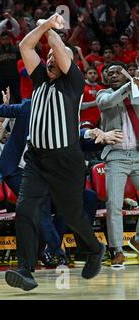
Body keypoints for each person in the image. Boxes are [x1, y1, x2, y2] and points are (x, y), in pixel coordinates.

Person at [5, 13, 105, 291]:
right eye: (46, 58)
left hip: (66, 161)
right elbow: (25, 47)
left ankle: (95, 249)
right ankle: (26, 270)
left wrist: (48, 29)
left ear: (68, 64)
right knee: (25, 210)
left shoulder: (73, 82)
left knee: (72, 215)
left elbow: (59, 49)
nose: (48, 60)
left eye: (53, 58)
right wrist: (46, 25)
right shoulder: (39, 80)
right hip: (36, 160)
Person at [96, 63, 139, 268]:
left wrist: (135, 85)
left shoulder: (136, 93)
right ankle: (117, 250)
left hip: (138, 155)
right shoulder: (103, 93)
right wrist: (129, 85)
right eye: (109, 74)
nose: (112, 76)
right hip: (116, 156)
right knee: (114, 205)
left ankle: (137, 239)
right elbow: (108, 102)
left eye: (116, 72)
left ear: (125, 73)